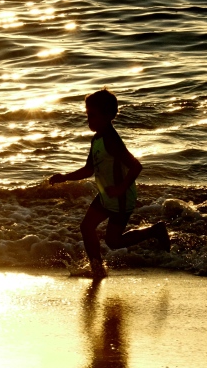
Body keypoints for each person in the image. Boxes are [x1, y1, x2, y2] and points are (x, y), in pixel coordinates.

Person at [49, 88, 170, 278]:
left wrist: (121, 188)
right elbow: (89, 170)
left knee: (113, 241)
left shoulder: (112, 140)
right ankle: (97, 270)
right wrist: (64, 177)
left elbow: (136, 166)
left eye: (93, 116)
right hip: (106, 195)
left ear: (108, 115)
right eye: (87, 115)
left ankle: (154, 231)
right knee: (86, 227)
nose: (89, 120)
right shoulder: (97, 139)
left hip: (121, 197)